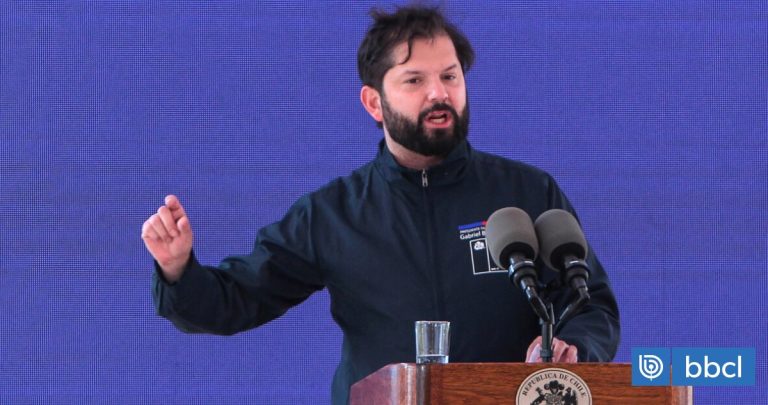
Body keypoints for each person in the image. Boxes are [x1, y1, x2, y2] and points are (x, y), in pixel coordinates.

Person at [142, 5, 620, 404]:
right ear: (374, 103)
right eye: (414, 80)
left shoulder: (527, 193)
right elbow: (234, 301)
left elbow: (590, 302)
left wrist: (575, 346)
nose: (439, 93)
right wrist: (178, 270)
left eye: (450, 76)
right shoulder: (334, 214)